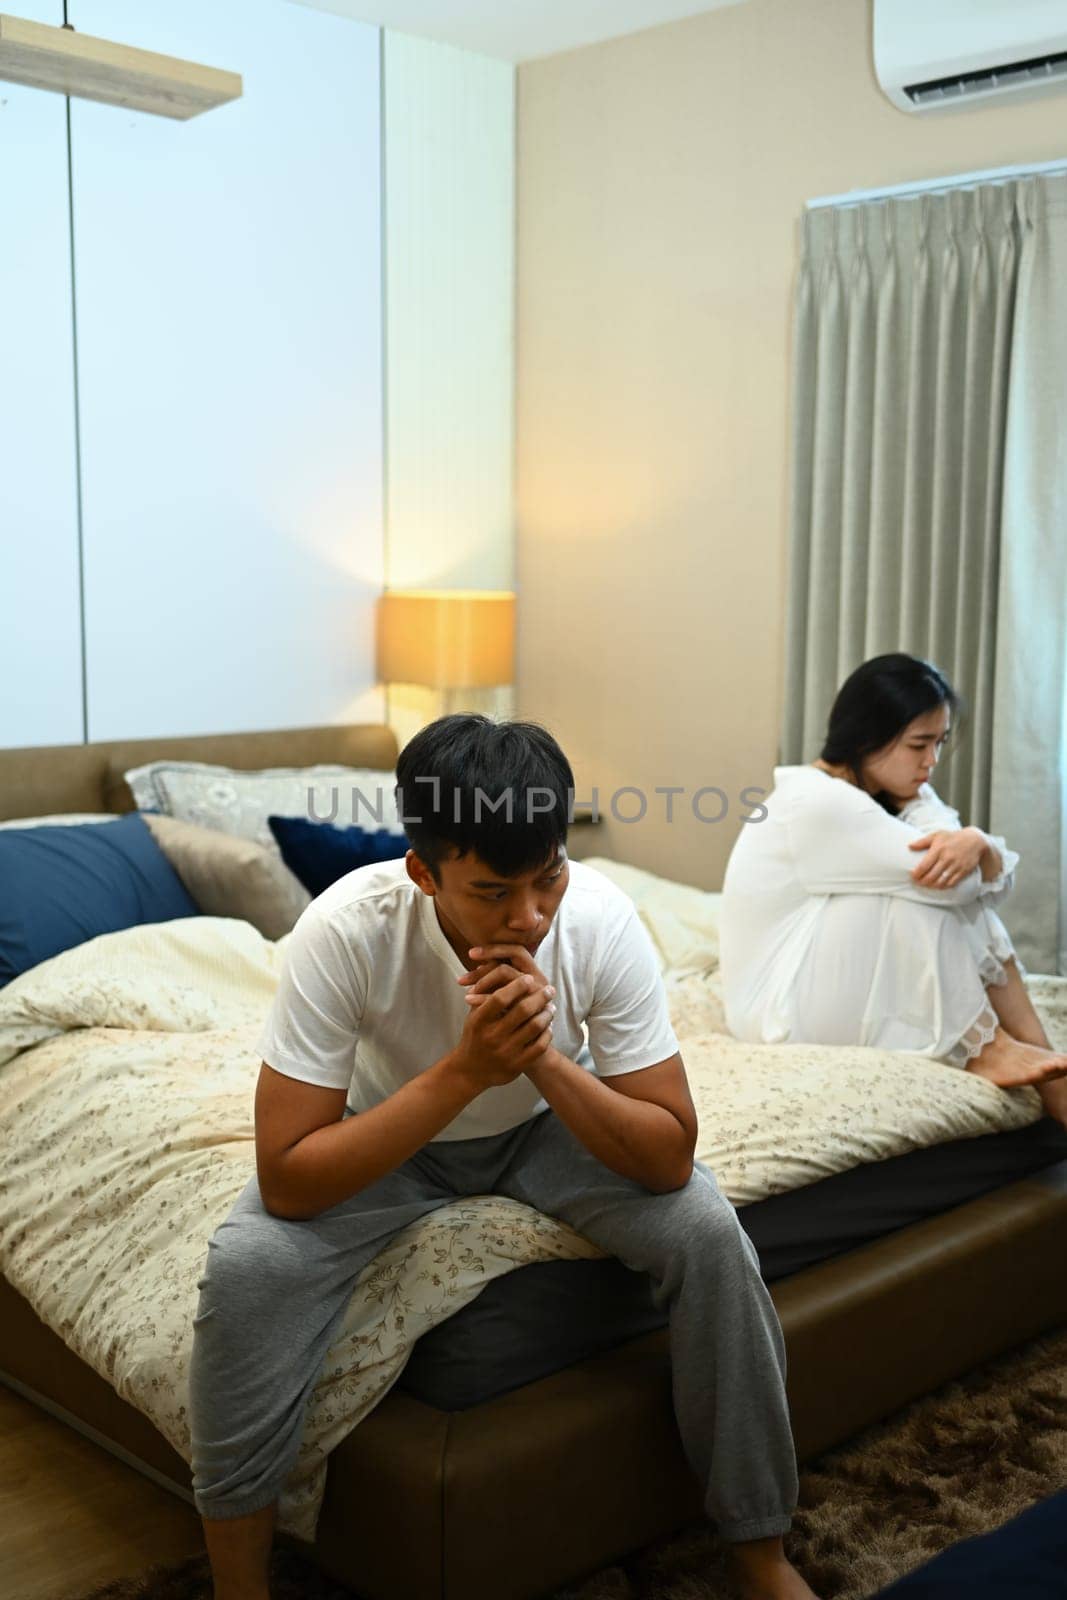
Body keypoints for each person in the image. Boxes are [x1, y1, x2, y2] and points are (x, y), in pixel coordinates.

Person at [188, 715, 819, 1600]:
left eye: (547, 877)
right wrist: (462, 1073)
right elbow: (289, 1179)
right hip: (389, 1139)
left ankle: (759, 1551)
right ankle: (238, 1587)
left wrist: (542, 1059)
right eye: (492, 892)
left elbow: (669, 1156)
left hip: (542, 1125)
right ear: (422, 872)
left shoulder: (598, 919)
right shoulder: (344, 929)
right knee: (248, 1266)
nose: (528, 916)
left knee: (709, 1233)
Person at [720, 654, 1067, 1129]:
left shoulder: (885, 792)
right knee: (928, 893)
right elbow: (957, 881)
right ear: (866, 738)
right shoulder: (820, 803)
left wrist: (973, 843)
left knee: (937, 886)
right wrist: (977, 843)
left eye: (940, 743)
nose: (932, 762)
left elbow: (955, 855)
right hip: (775, 1013)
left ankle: (1034, 1055)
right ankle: (988, 1047)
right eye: (918, 744)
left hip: (805, 988)